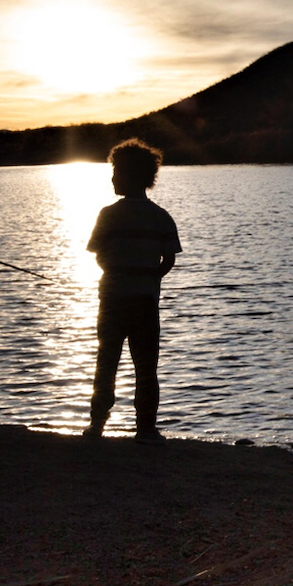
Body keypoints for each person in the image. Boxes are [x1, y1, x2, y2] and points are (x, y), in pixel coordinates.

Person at [83, 139, 181, 443]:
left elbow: (97, 252)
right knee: (146, 366)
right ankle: (146, 429)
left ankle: (97, 424)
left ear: (129, 176)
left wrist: (114, 270)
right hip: (146, 301)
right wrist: (150, 277)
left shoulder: (107, 215)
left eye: (116, 172)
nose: (112, 178)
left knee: (107, 361)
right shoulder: (162, 217)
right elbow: (169, 260)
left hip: (112, 299)